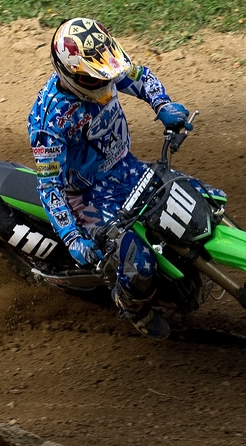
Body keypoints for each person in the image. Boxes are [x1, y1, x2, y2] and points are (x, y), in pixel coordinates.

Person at [27, 17, 192, 339]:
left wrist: (162, 104)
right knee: (139, 266)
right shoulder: (50, 120)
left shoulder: (104, 68)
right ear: (71, 72)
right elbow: (48, 186)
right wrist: (72, 238)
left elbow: (140, 76)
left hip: (127, 169)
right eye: (93, 79)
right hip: (88, 197)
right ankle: (132, 306)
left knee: (193, 194)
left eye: (106, 75)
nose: (105, 84)